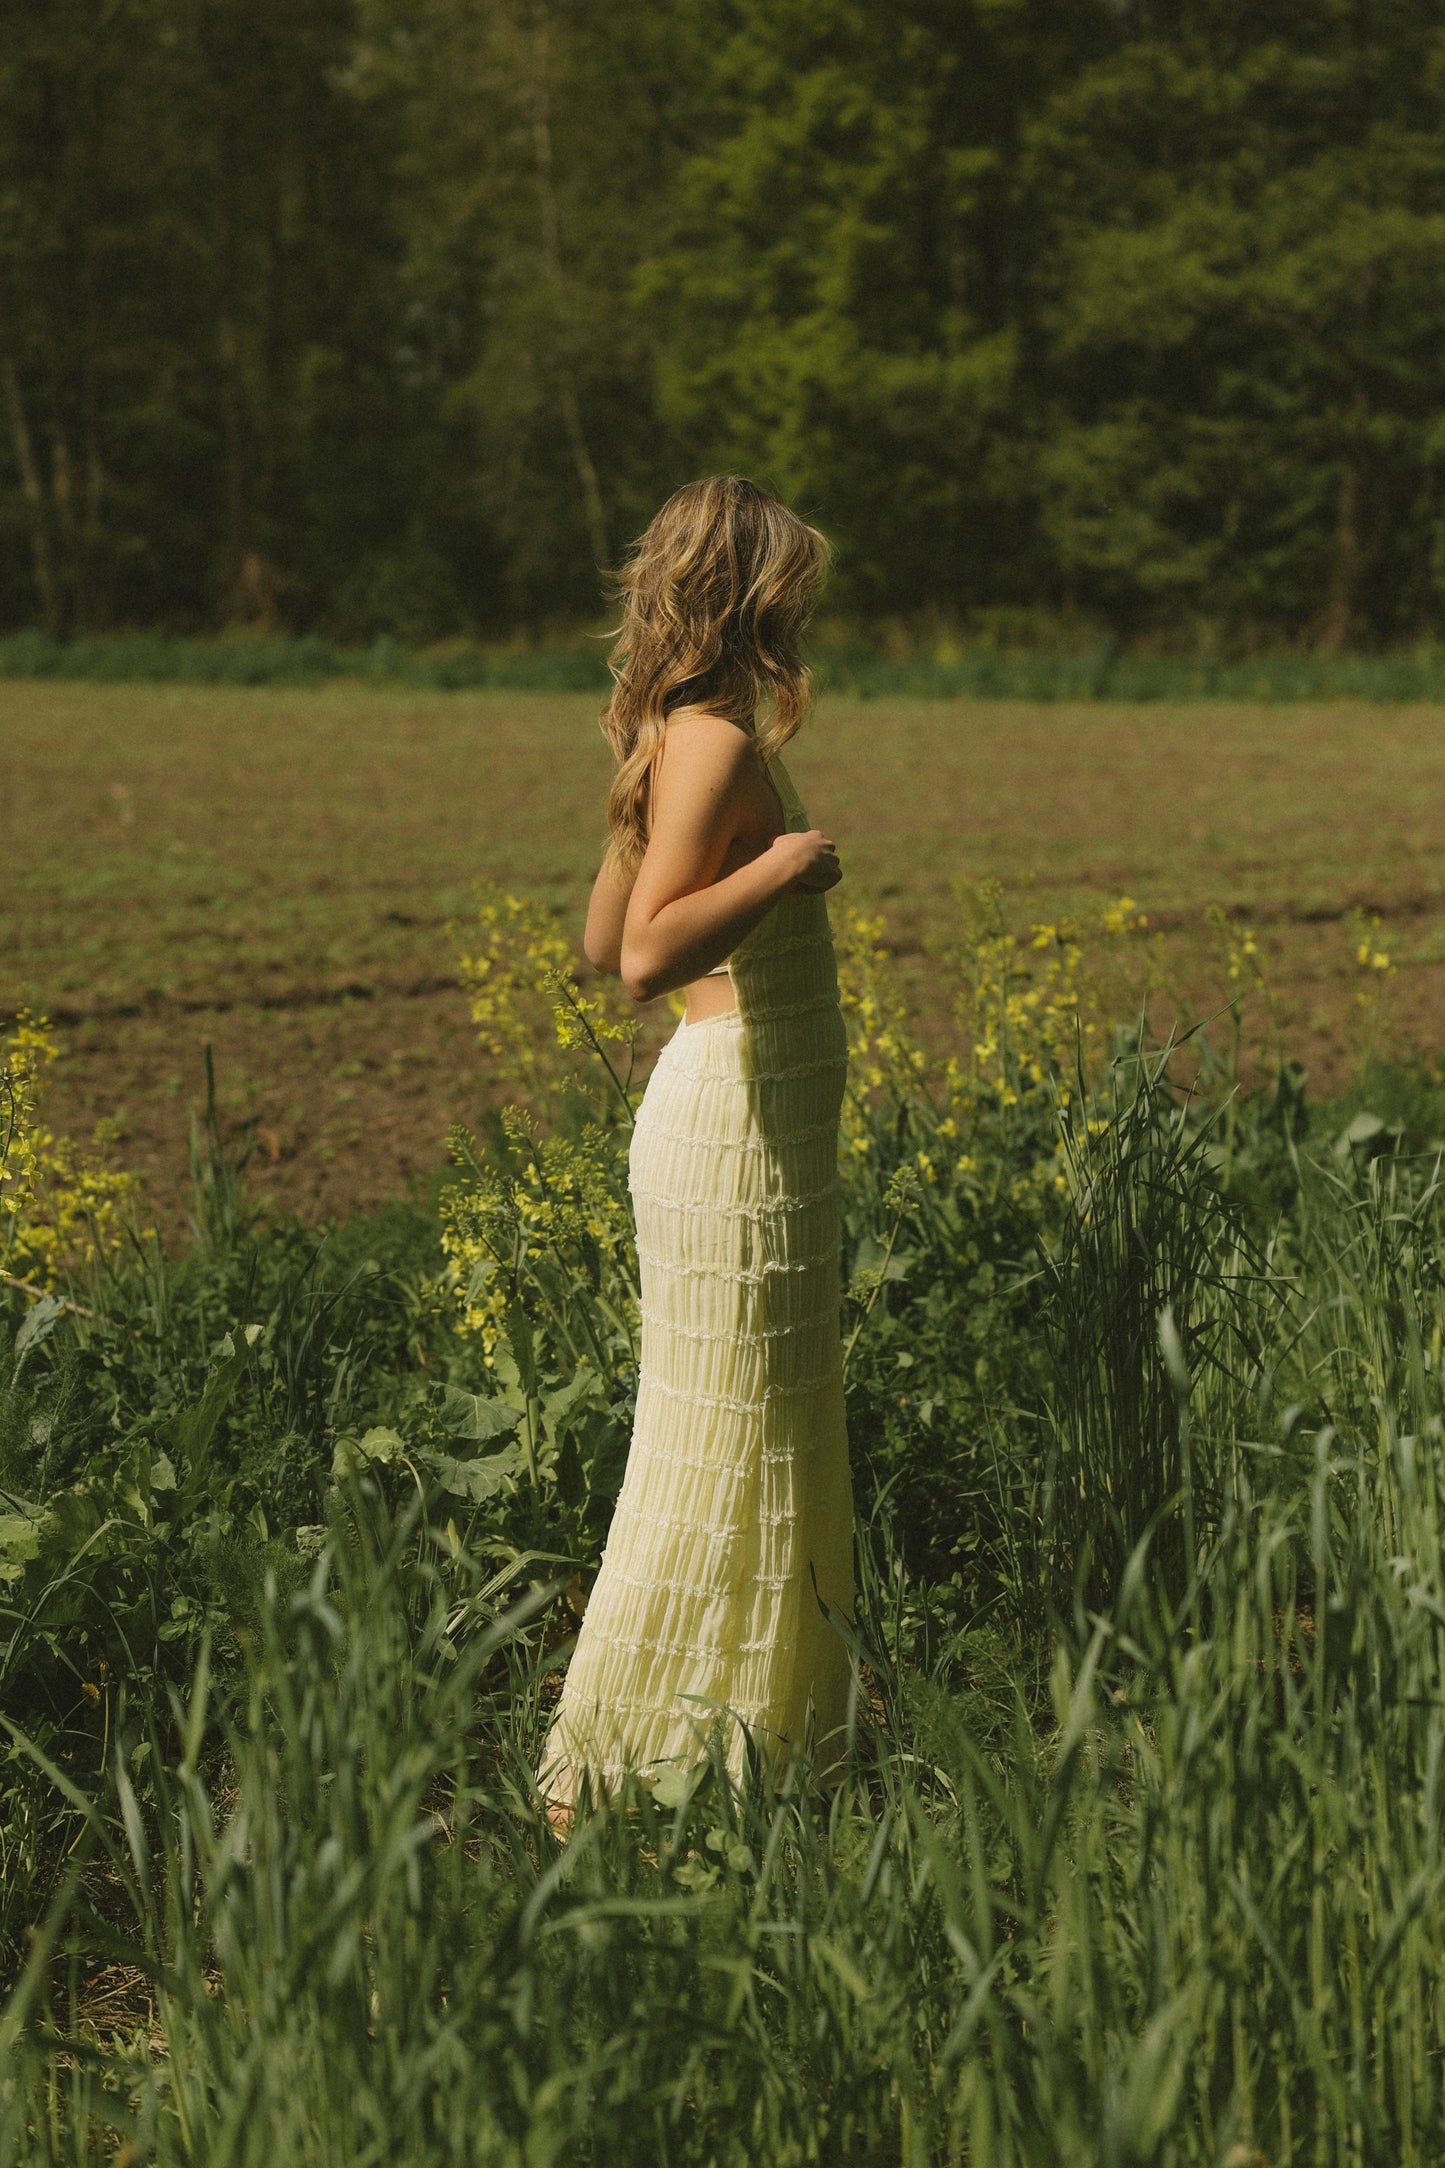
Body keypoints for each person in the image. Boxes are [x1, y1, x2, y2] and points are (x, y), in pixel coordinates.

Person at [538, 474, 855, 1820]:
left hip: (734, 1121)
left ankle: (742, 1756)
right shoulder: (712, 741)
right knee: (730, 1445)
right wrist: (785, 865)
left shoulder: (675, 732)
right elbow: (646, 962)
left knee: (745, 1437)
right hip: (733, 1127)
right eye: (791, 580)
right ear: (750, 591)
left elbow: (605, 933)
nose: (805, 601)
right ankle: (637, 1774)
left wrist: (655, 830)